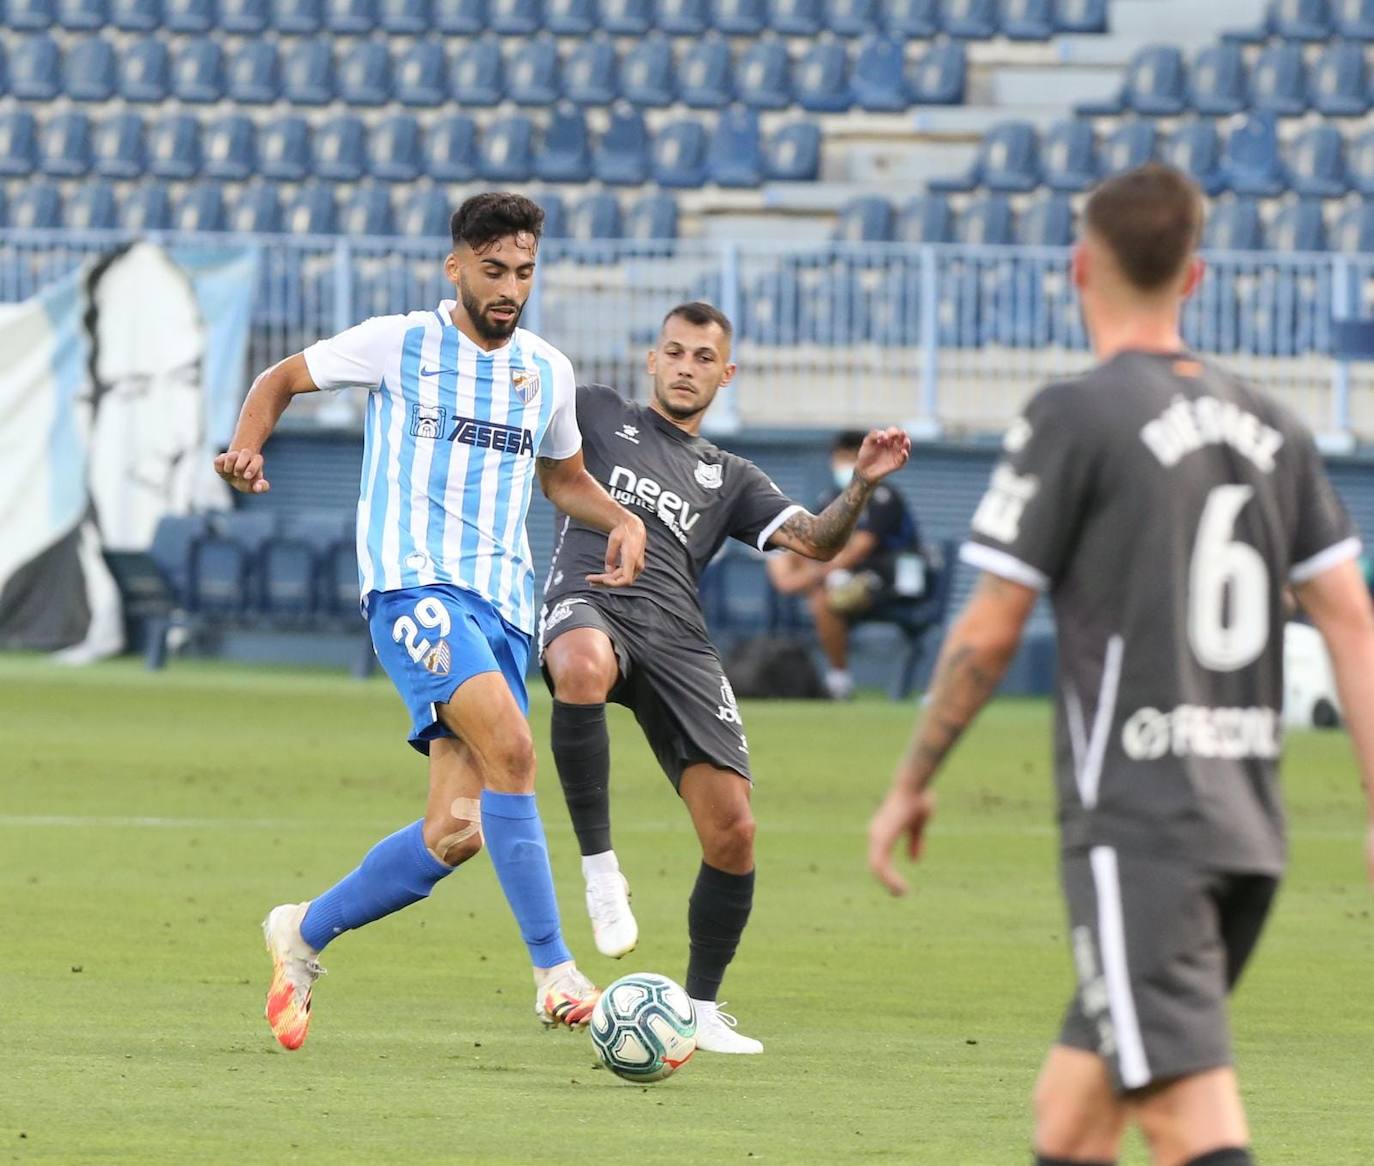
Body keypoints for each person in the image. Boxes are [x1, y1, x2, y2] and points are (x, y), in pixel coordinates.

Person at [867, 164, 1374, 1166]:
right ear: (1195, 275)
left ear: (1076, 267)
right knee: (1074, 1114)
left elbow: (990, 626)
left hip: (1141, 827)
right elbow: (1352, 622)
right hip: (1247, 823)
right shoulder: (1276, 424)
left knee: (1187, 1119)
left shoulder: (1075, 415)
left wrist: (912, 781)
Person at [214, 193, 648, 1051]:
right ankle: (555, 972)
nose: (510, 288)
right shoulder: (401, 341)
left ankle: (301, 933)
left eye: (524, 272)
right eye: (494, 271)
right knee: (518, 751)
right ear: (456, 267)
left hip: (504, 608)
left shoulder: (546, 372)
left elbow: (562, 479)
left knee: (457, 831)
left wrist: (622, 520)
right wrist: (249, 444)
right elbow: (280, 379)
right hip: (413, 591)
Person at [539, 301, 911, 1053]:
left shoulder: (731, 475)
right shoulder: (594, 412)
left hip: (678, 637)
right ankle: (601, 873)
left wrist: (863, 484)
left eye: (703, 358)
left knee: (734, 831)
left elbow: (814, 541)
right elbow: (528, 433)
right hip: (592, 596)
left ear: (725, 375)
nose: (685, 366)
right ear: (652, 360)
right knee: (579, 667)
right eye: (673, 352)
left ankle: (701, 1009)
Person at [766, 429, 923, 699]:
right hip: (848, 579)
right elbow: (810, 539)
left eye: (851, 457)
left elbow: (859, 549)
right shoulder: (831, 498)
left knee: (824, 598)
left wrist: (804, 579)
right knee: (812, 581)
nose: (845, 464)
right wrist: (780, 561)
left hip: (890, 581)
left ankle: (839, 679)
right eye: (840, 457)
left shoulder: (884, 497)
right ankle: (828, 677)